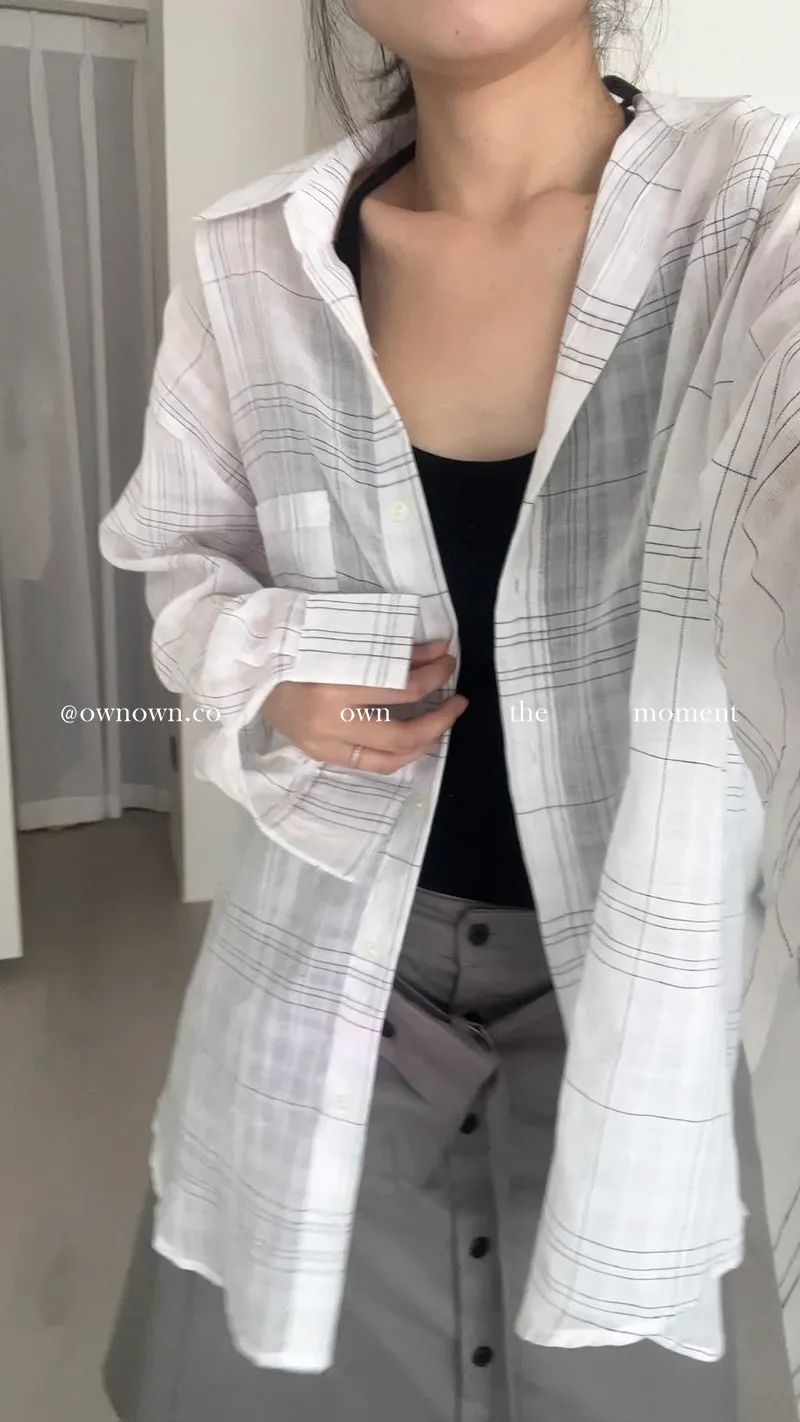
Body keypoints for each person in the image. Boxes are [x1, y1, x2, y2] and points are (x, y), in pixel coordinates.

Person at [97, 1, 800, 1419]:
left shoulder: (757, 214)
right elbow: (178, 562)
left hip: (630, 1007)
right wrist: (273, 659)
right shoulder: (255, 256)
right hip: (321, 986)